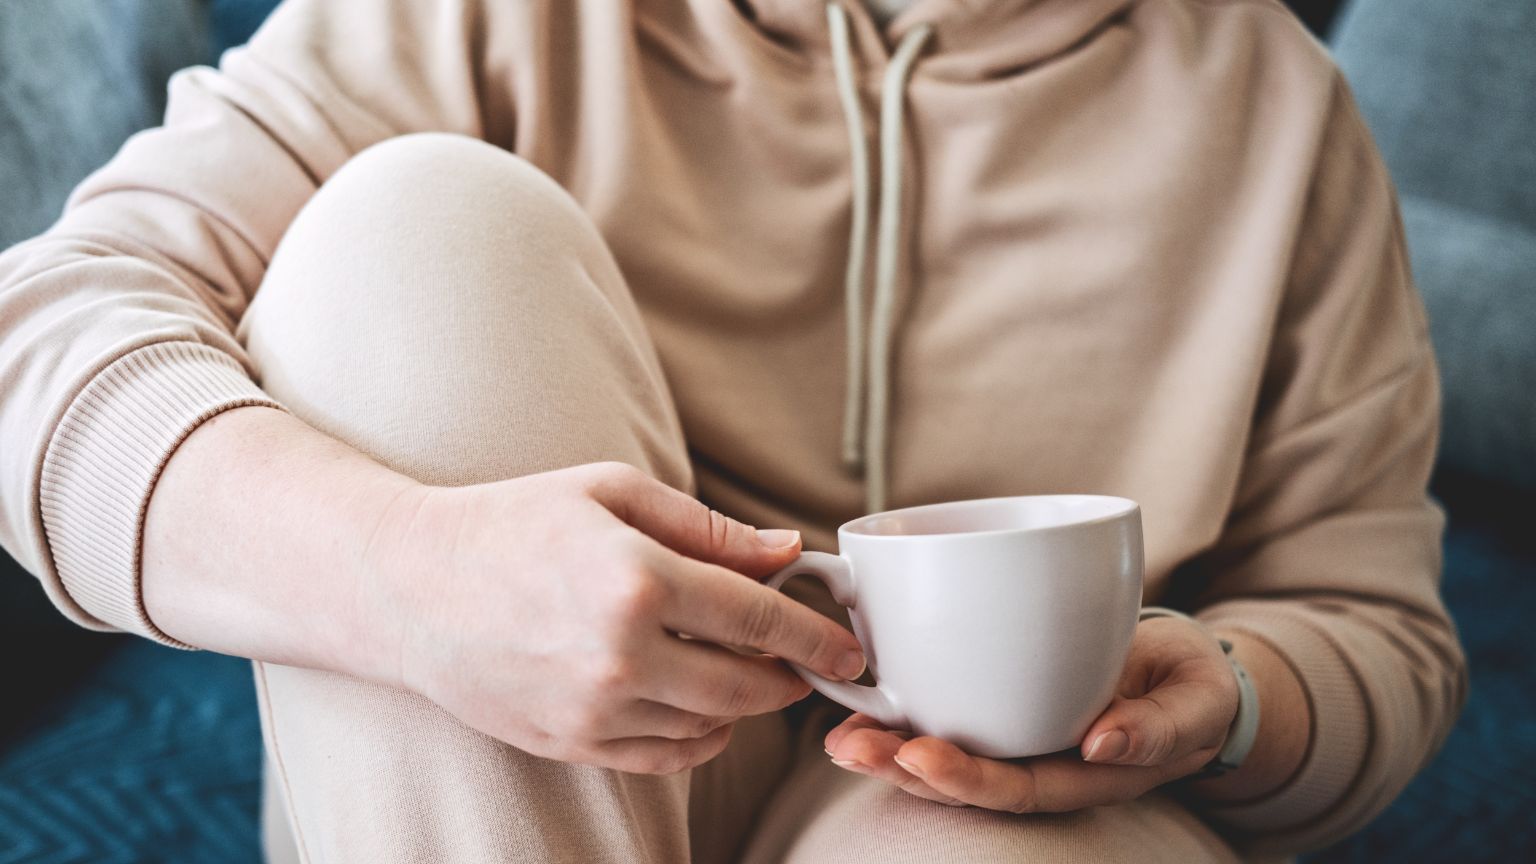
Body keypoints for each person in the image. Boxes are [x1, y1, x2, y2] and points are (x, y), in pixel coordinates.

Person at [0, 0, 1467, 861]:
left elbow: (1378, 627)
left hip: (1002, 808)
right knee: (413, 232)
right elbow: (36, 336)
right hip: (501, 788)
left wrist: (1232, 689)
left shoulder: (1274, 100)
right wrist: (404, 574)